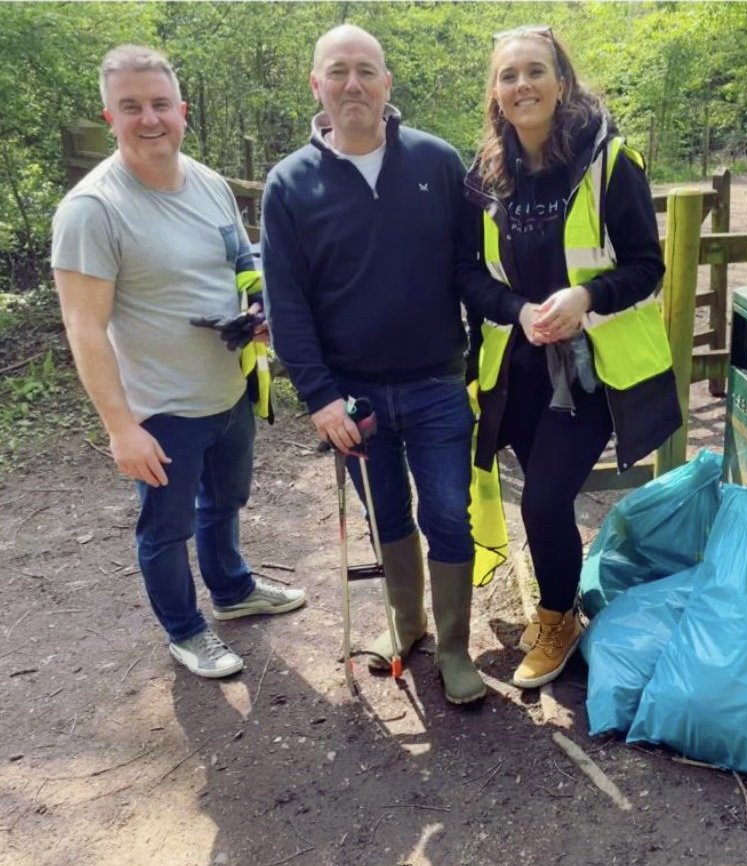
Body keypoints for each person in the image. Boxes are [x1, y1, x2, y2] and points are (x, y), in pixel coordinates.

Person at [260, 24, 510, 705]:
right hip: (354, 399)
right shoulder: (288, 185)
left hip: (435, 385)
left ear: (387, 83)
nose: (352, 84)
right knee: (388, 518)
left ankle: (456, 650)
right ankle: (409, 628)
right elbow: (287, 306)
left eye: (365, 70)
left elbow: (469, 270)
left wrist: (521, 311)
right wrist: (319, 398)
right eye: (337, 71)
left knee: (449, 517)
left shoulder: (436, 162)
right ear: (316, 85)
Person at [51, 45, 306, 680]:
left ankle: (233, 590)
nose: (149, 119)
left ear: (182, 112)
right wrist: (121, 428)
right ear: (109, 117)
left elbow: (240, 265)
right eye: (131, 107)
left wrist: (259, 310)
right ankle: (186, 630)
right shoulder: (93, 210)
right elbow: (83, 326)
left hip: (229, 387)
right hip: (160, 408)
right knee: (165, 530)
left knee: (224, 502)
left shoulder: (210, 183)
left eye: (159, 104)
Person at [465, 25, 682, 689]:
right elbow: (469, 276)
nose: (521, 85)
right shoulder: (485, 176)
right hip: (521, 370)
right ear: (495, 95)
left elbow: (649, 267)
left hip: (592, 373)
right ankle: (561, 598)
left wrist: (585, 296)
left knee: (544, 498)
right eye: (508, 76)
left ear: (562, 82)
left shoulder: (611, 161)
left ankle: (558, 618)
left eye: (535, 71)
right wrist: (518, 312)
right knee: (546, 501)